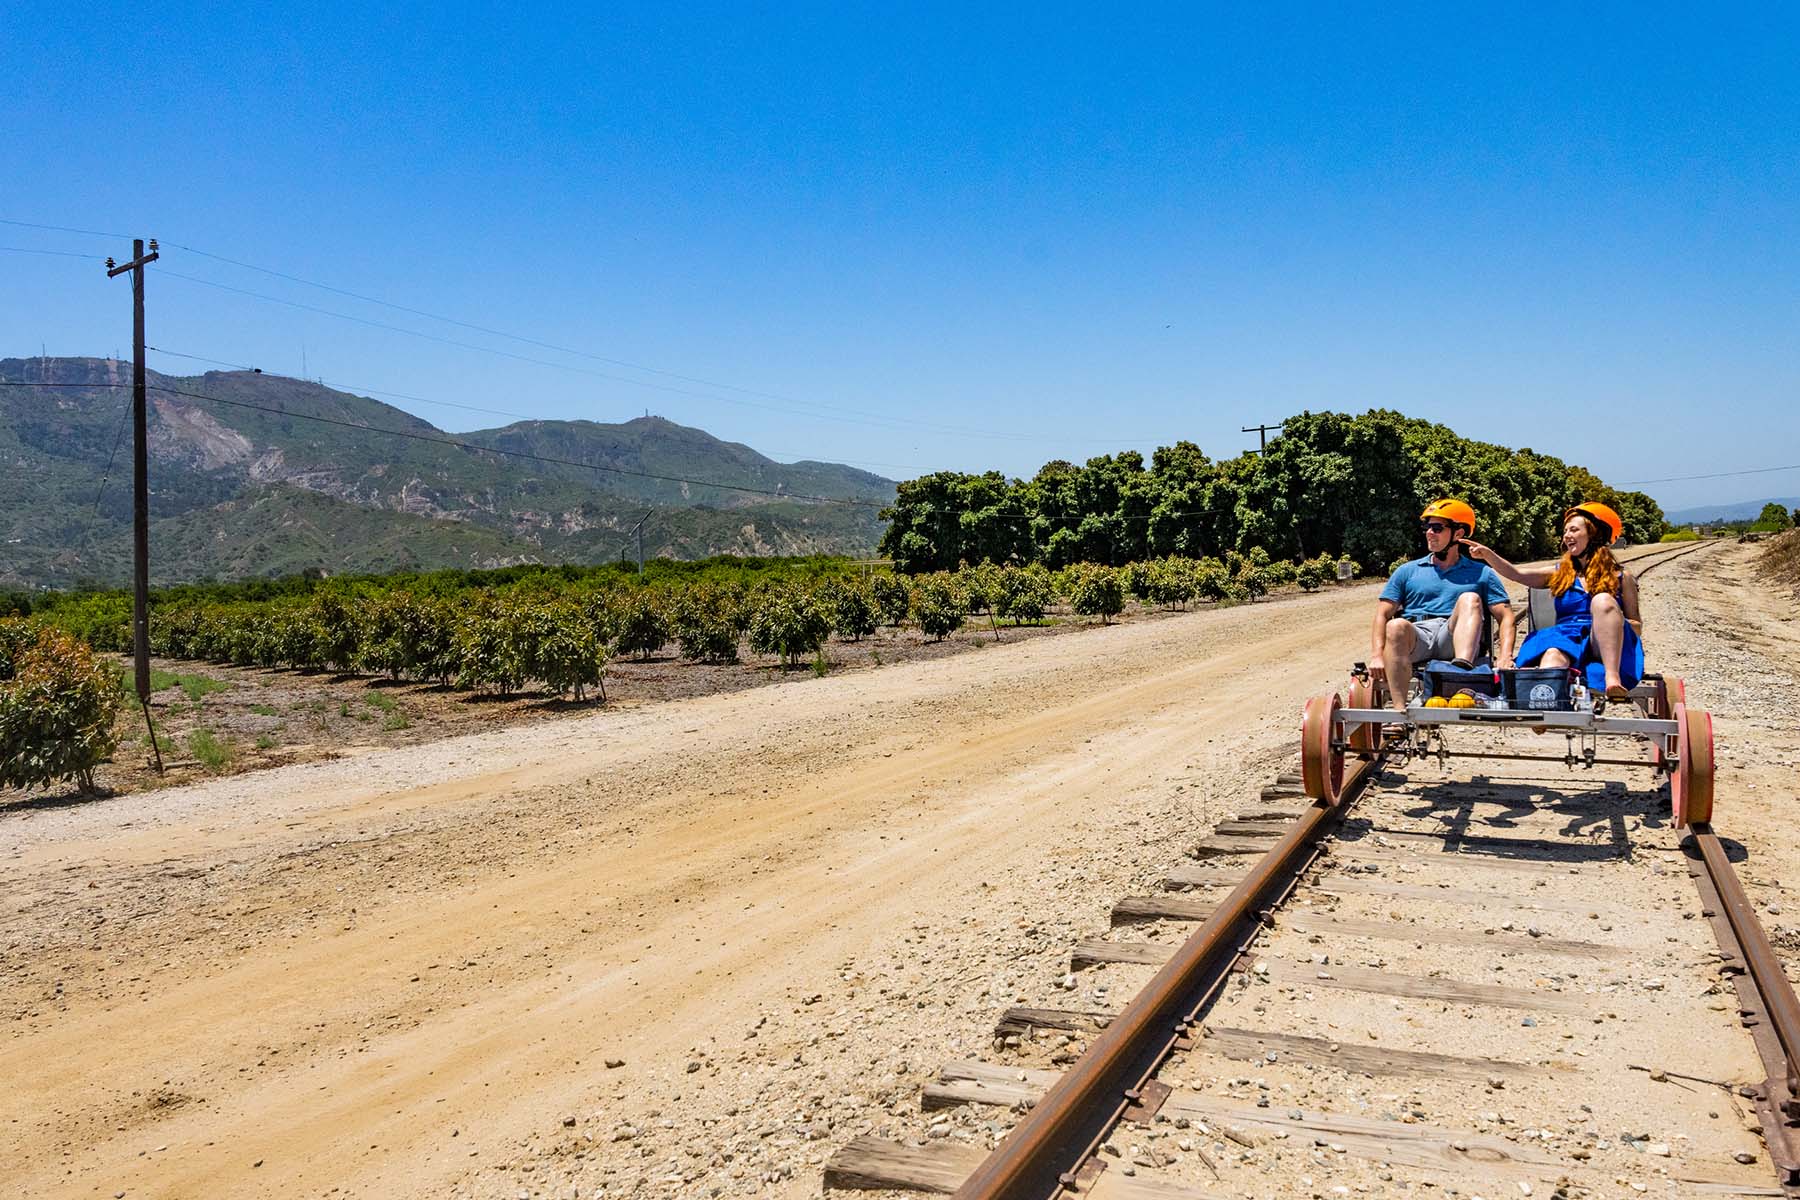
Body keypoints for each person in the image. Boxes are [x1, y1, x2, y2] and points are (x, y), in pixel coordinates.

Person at [1460, 502, 1642, 701]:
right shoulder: (1559, 572)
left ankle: (1612, 679)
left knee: (1602, 601)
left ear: (1595, 534)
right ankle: (1542, 700)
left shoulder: (1622, 577)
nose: (1566, 536)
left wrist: (1612, 623)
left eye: (1574, 529)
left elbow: (1636, 624)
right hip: (1569, 637)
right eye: (1565, 531)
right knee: (1553, 653)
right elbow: (1517, 574)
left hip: (1605, 643)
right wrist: (1488, 555)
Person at [1371, 500, 1515, 710]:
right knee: (1395, 625)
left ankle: (1460, 673)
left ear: (1459, 533)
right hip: (1418, 636)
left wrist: (1505, 656)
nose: (1429, 533)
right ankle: (1399, 713)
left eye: (1437, 528)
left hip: (1454, 635)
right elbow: (1382, 615)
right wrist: (1377, 655)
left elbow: (1506, 616)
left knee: (1470, 598)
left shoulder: (1481, 572)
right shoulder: (1407, 570)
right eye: (1427, 527)